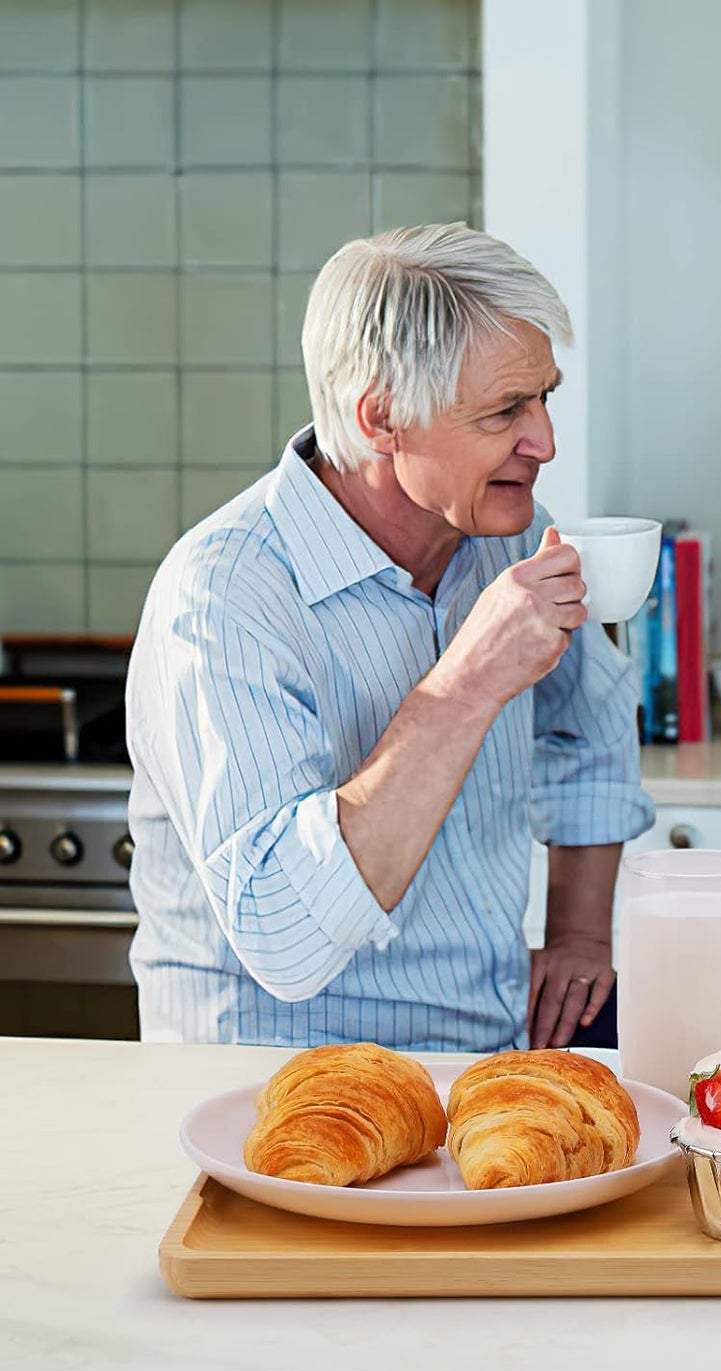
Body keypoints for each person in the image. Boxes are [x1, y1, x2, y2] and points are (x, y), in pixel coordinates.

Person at [126, 224, 654, 1051]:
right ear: (382, 418)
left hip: (486, 1051)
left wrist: (582, 934)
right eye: (504, 410)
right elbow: (285, 937)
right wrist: (467, 684)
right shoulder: (224, 596)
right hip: (274, 1091)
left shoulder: (510, 537)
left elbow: (591, 726)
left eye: (544, 396)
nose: (544, 442)